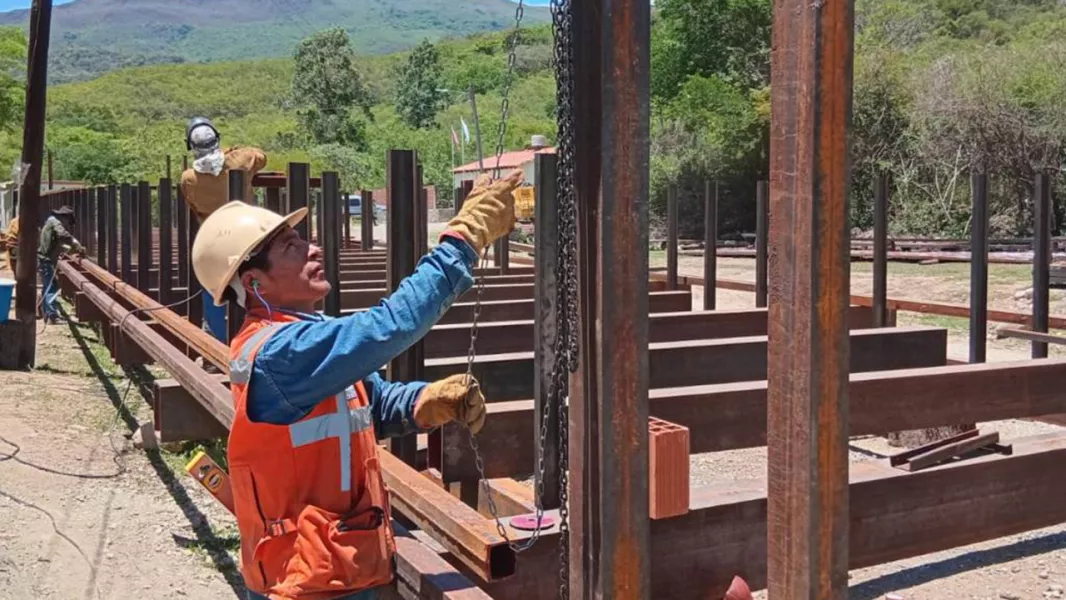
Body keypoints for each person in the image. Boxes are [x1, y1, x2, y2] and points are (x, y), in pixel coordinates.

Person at [190, 169, 523, 600]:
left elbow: (369, 403)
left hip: (345, 560)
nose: (313, 249)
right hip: (307, 579)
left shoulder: (305, 337)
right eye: (292, 248)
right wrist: (463, 240)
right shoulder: (278, 354)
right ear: (255, 284)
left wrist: (422, 400)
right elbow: (388, 326)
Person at [179, 116, 267, 343]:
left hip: (212, 240)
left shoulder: (189, 178)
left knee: (212, 288)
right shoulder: (240, 160)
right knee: (254, 284)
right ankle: (256, 338)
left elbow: (193, 206)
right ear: (216, 139)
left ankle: (216, 342)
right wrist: (232, 151)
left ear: (191, 146)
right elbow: (260, 156)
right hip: (247, 237)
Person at [38, 206, 84, 323]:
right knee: (51, 287)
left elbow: (54, 243)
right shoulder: (55, 222)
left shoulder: (50, 222)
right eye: (68, 222)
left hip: (44, 259)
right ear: (65, 217)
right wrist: (75, 243)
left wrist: (68, 249)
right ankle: (52, 316)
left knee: (49, 286)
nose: (67, 224)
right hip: (45, 260)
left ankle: (48, 313)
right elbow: (63, 235)